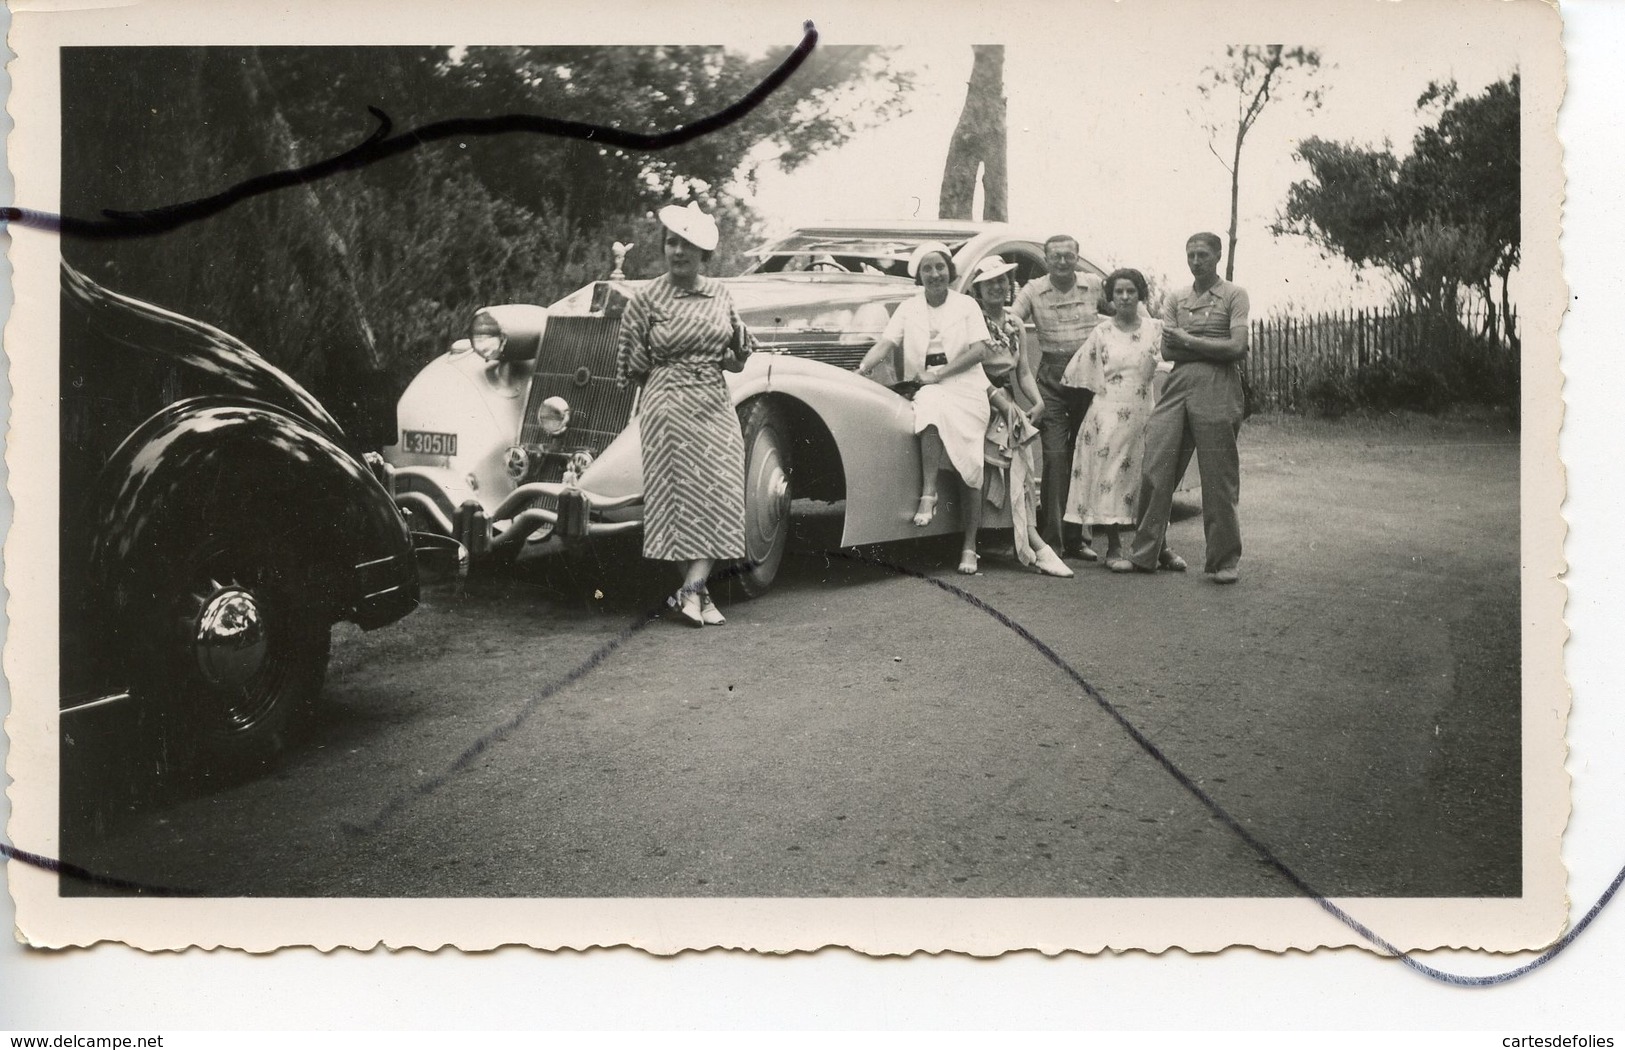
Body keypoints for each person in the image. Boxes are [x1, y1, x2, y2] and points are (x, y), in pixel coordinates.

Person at [615, 202, 755, 625]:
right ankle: (699, 597)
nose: (678, 251)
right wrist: (666, 393)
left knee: (724, 491)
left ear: (703, 254)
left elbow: (733, 357)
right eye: (672, 242)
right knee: (678, 501)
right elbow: (631, 365)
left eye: (688, 245)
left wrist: (740, 357)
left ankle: (692, 592)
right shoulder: (645, 299)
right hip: (667, 406)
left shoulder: (721, 294)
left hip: (714, 401)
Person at [1122, 232, 1250, 583]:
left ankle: (1224, 561)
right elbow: (1168, 351)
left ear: (1218, 255)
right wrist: (1210, 344)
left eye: (1203, 254)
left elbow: (1237, 347)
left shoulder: (1235, 295)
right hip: (1178, 384)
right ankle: (1145, 552)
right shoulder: (1176, 297)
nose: (1196, 261)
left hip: (1219, 386)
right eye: (1191, 254)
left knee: (1217, 474)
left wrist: (1190, 340)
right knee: (1156, 462)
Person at [857, 242, 992, 573]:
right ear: (919, 275)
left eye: (940, 267)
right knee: (929, 402)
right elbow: (886, 344)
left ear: (950, 270)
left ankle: (969, 547)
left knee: (971, 465)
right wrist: (861, 370)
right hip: (930, 389)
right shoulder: (908, 308)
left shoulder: (967, 305)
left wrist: (940, 374)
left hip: (968, 388)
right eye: (928, 269)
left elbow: (980, 351)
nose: (935, 274)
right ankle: (928, 493)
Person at [966, 257, 1073, 578]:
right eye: (990, 283)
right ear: (978, 290)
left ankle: (1025, 541)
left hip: (1007, 402)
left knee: (1021, 474)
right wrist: (999, 403)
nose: (997, 287)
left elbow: (1023, 370)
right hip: (978, 399)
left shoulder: (1013, 324)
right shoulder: (971, 321)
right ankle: (1031, 544)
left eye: (1003, 280)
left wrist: (1037, 401)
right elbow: (970, 369)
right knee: (991, 473)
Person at [1012, 235, 1108, 561]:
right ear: (1047, 258)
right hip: (1051, 379)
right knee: (1054, 455)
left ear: (1078, 257)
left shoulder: (1094, 285)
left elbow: (1130, 304)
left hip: (1089, 378)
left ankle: (1079, 537)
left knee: (1084, 456)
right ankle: (1052, 539)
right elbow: (1013, 316)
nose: (1063, 262)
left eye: (1069, 256)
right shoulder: (1033, 289)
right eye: (1056, 257)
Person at [1060, 268, 1163, 568]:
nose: (1125, 297)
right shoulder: (1101, 332)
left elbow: (1166, 364)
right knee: (1111, 476)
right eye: (1119, 292)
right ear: (1111, 297)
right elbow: (1078, 372)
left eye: (1131, 291)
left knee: (1150, 476)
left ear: (1140, 294)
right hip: (1108, 412)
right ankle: (1114, 547)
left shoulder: (1155, 328)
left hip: (1144, 409)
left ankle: (1158, 546)